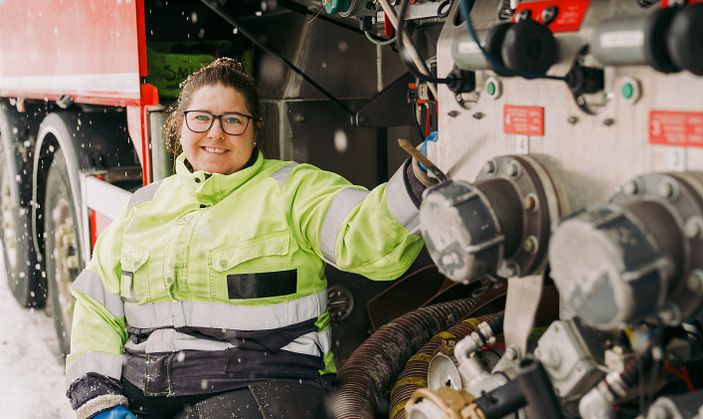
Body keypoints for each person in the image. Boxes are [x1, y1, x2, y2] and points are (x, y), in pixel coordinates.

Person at [64, 57, 436, 419]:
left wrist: (417, 183)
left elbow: (365, 237)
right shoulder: (146, 204)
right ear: (179, 124)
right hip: (145, 397)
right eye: (201, 118)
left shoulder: (292, 190)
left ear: (255, 128)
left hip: (263, 389)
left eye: (232, 120)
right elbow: (98, 305)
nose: (216, 133)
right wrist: (96, 393)